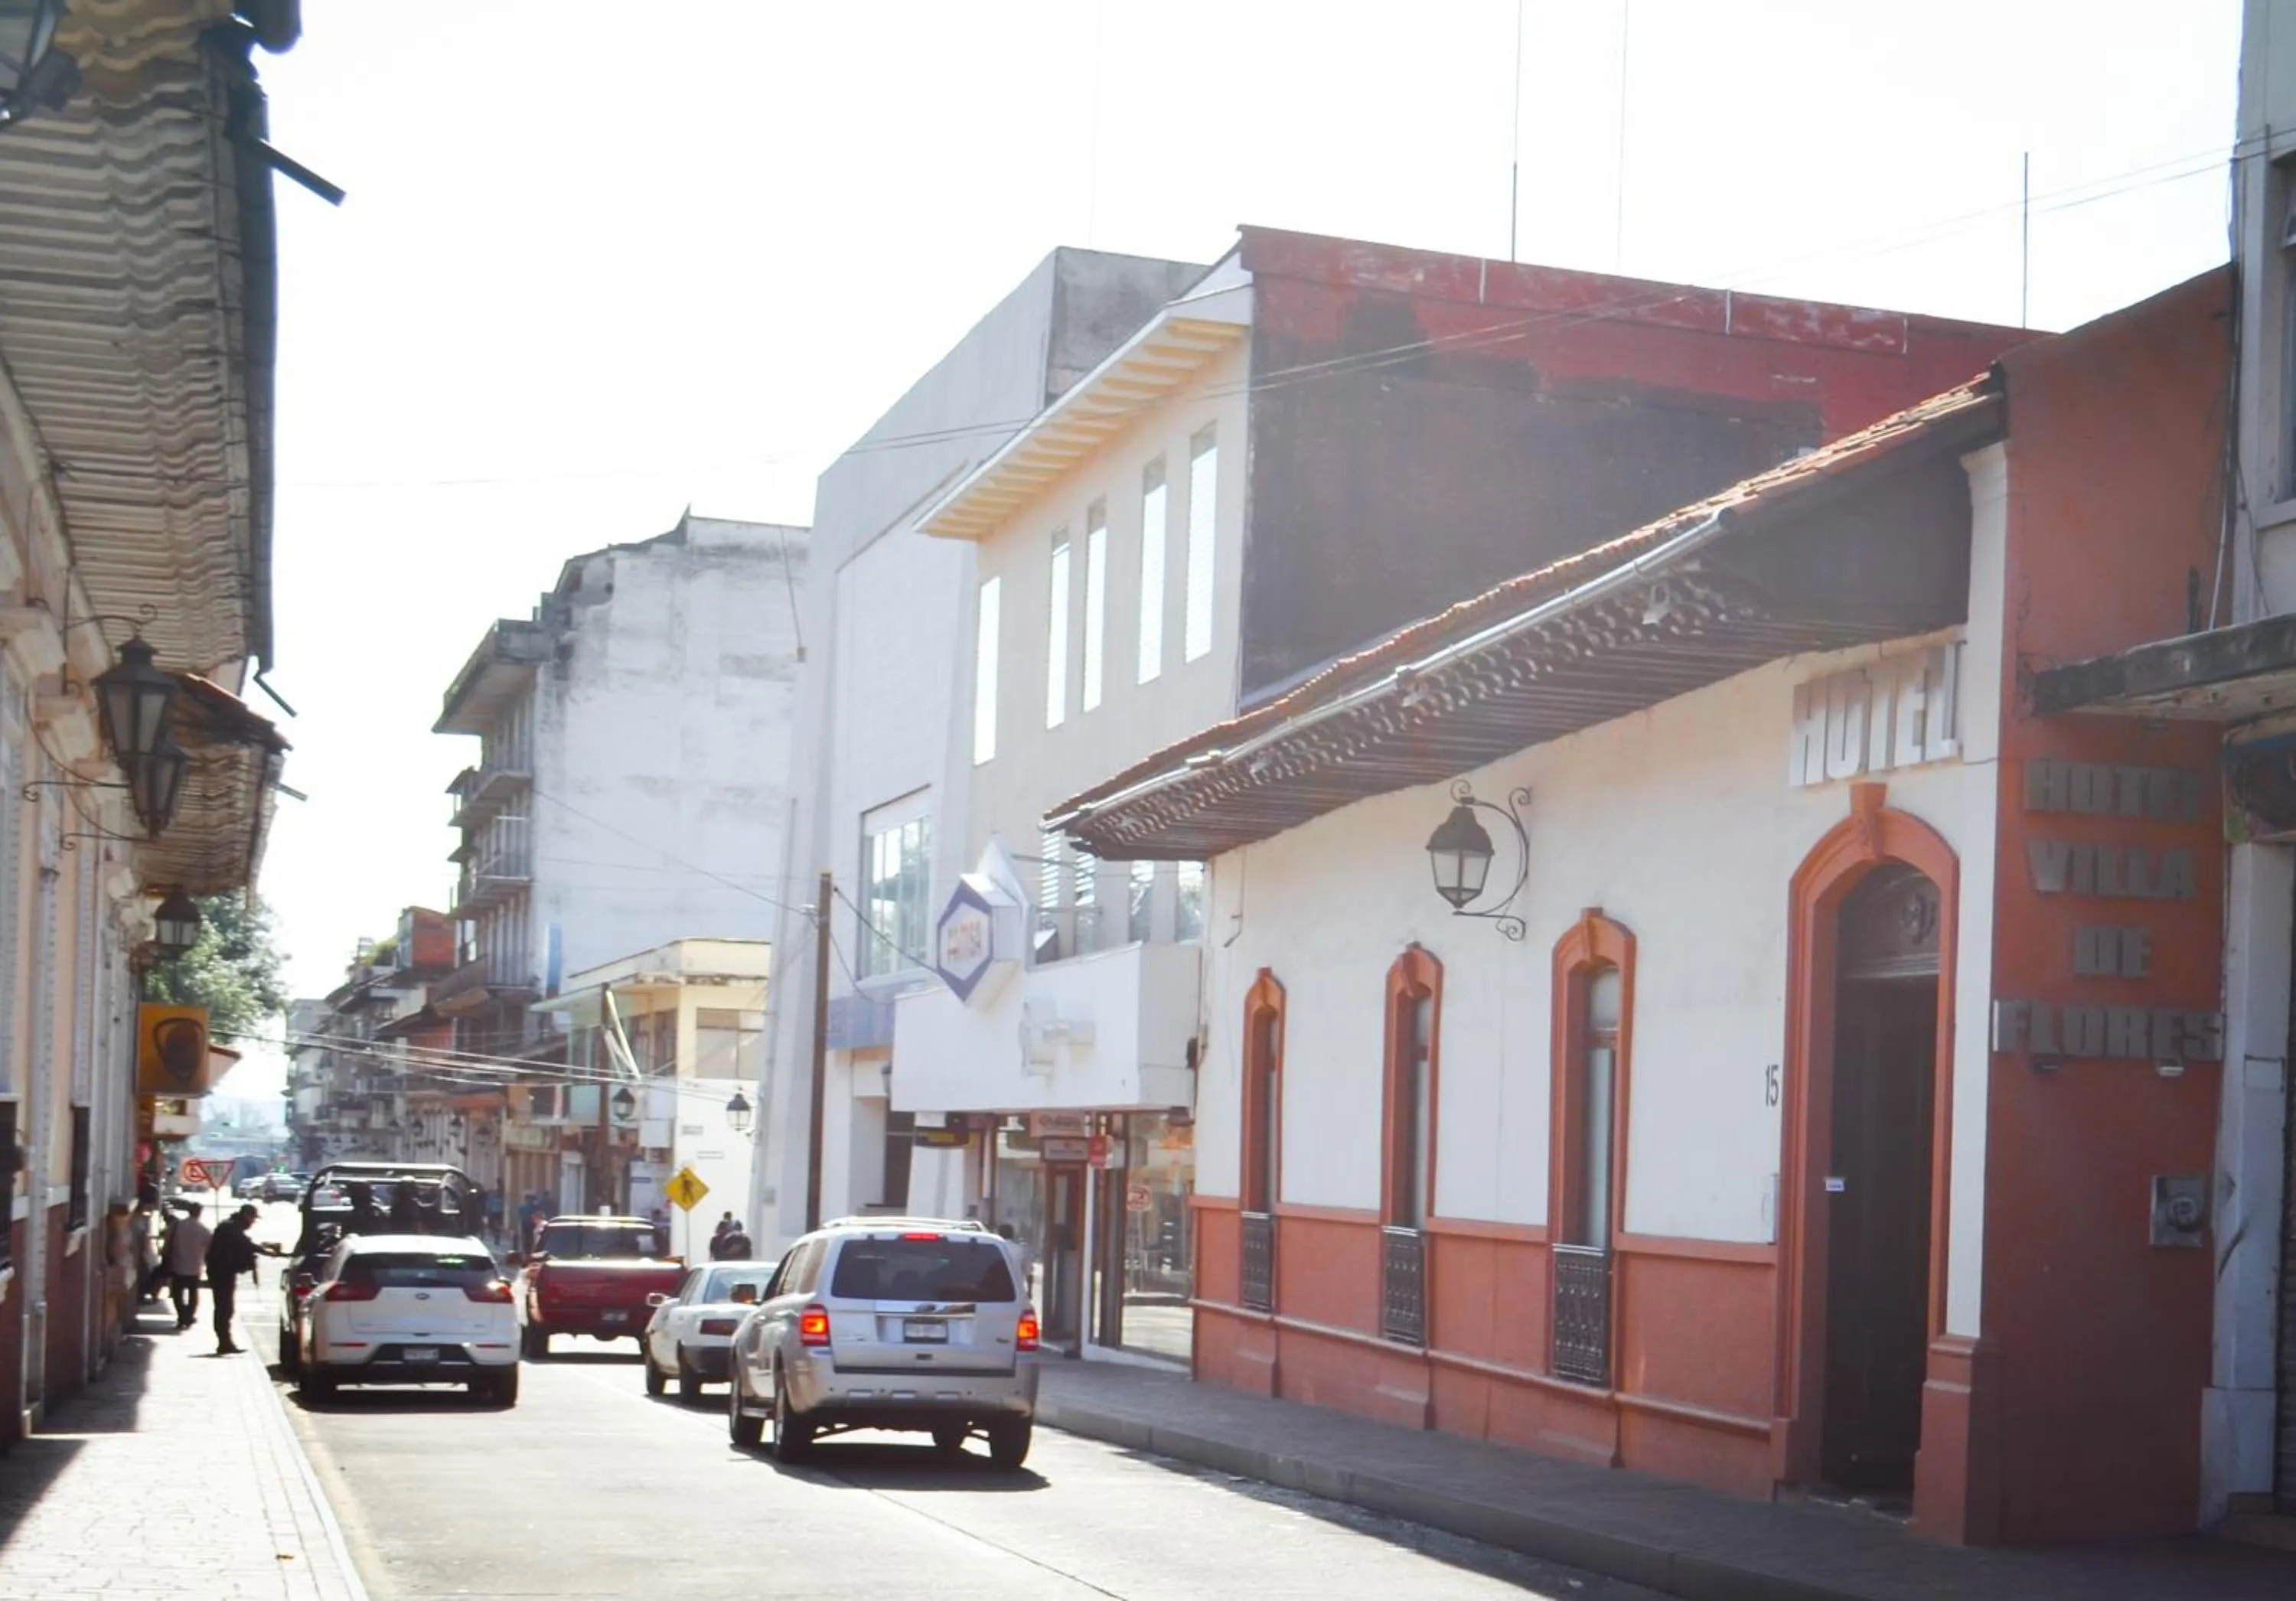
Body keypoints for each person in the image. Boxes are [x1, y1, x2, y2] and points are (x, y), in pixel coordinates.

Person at [204, 1203, 276, 1355]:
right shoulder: (230, 1228)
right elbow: (245, 1245)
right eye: (252, 1219)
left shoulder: (231, 1227)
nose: (252, 1223)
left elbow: (244, 1244)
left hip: (223, 1272)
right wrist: (264, 1251)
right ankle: (224, 1343)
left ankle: (226, 1342)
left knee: (225, 1308)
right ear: (246, 1216)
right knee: (224, 1308)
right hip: (221, 1273)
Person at [161, 1202, 212, 1332]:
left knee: (177, 1294)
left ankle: (181, 1316)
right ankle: (189, 1316)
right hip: (194, 1267)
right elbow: (209, 1250)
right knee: (193, 1294)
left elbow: (167, 1245)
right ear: (199, 1213)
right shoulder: (204, 1230)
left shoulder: (177, 1226)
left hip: (177, 1265)